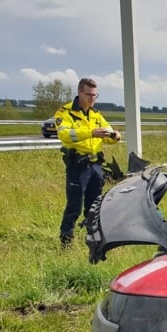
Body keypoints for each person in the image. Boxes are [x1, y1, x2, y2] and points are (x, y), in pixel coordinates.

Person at [55, 78, 121, 247]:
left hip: (95, 166)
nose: (92, 98)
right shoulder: (65, 113)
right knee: (74, 207)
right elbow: (65, 135)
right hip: (78, 165)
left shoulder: (96, 115)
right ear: (79, 93)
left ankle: (93, 242)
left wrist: (115, 137)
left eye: (95, 95)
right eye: (89, 94)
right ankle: (66, 243)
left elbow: (107, 135)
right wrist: (91, 133)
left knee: (95, 207)